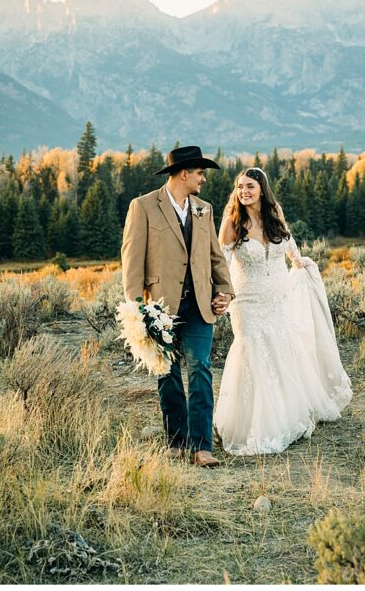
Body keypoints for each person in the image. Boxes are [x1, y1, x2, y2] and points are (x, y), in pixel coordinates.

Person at [214, 167, 352, 455]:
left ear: (262, 189)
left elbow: (289, 246)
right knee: (253, 352)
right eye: (240, 187)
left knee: (281, 350)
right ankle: (256, 425)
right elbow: (220, 262)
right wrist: (221, 294)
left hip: (278, 299)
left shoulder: (274, 215)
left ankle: (289, 415)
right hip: (247, 301)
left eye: (250, 186)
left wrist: (301, 263)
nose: (244, 191)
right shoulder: (232, 222)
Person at [121, 145, 234, 467]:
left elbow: (215, 255)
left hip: (199, 306)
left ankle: (202, 446)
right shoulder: (142, 207)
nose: (203, 179)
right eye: (200, 173)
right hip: (160, 307)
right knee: (167, 372)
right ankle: (176, 441)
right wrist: (136, 306)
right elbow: (131, 257)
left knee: (200, 368)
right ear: (183, 174)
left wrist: (225, 290)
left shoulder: (204, 209)